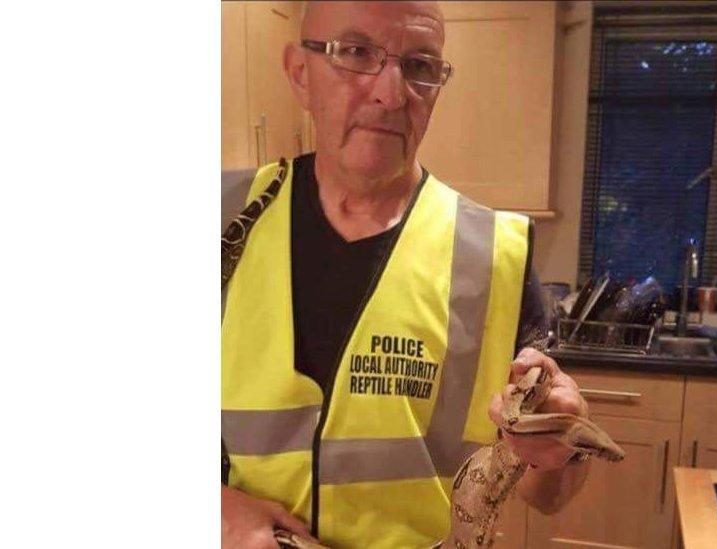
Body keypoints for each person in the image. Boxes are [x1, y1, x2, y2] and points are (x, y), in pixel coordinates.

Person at [221, 2, 591, 547]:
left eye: (419, 65)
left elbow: (551, 496)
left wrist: (562, 444)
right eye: (355, 53)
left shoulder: (494, 254)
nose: (391, 94)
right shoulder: (219, 218)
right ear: (301, 73)